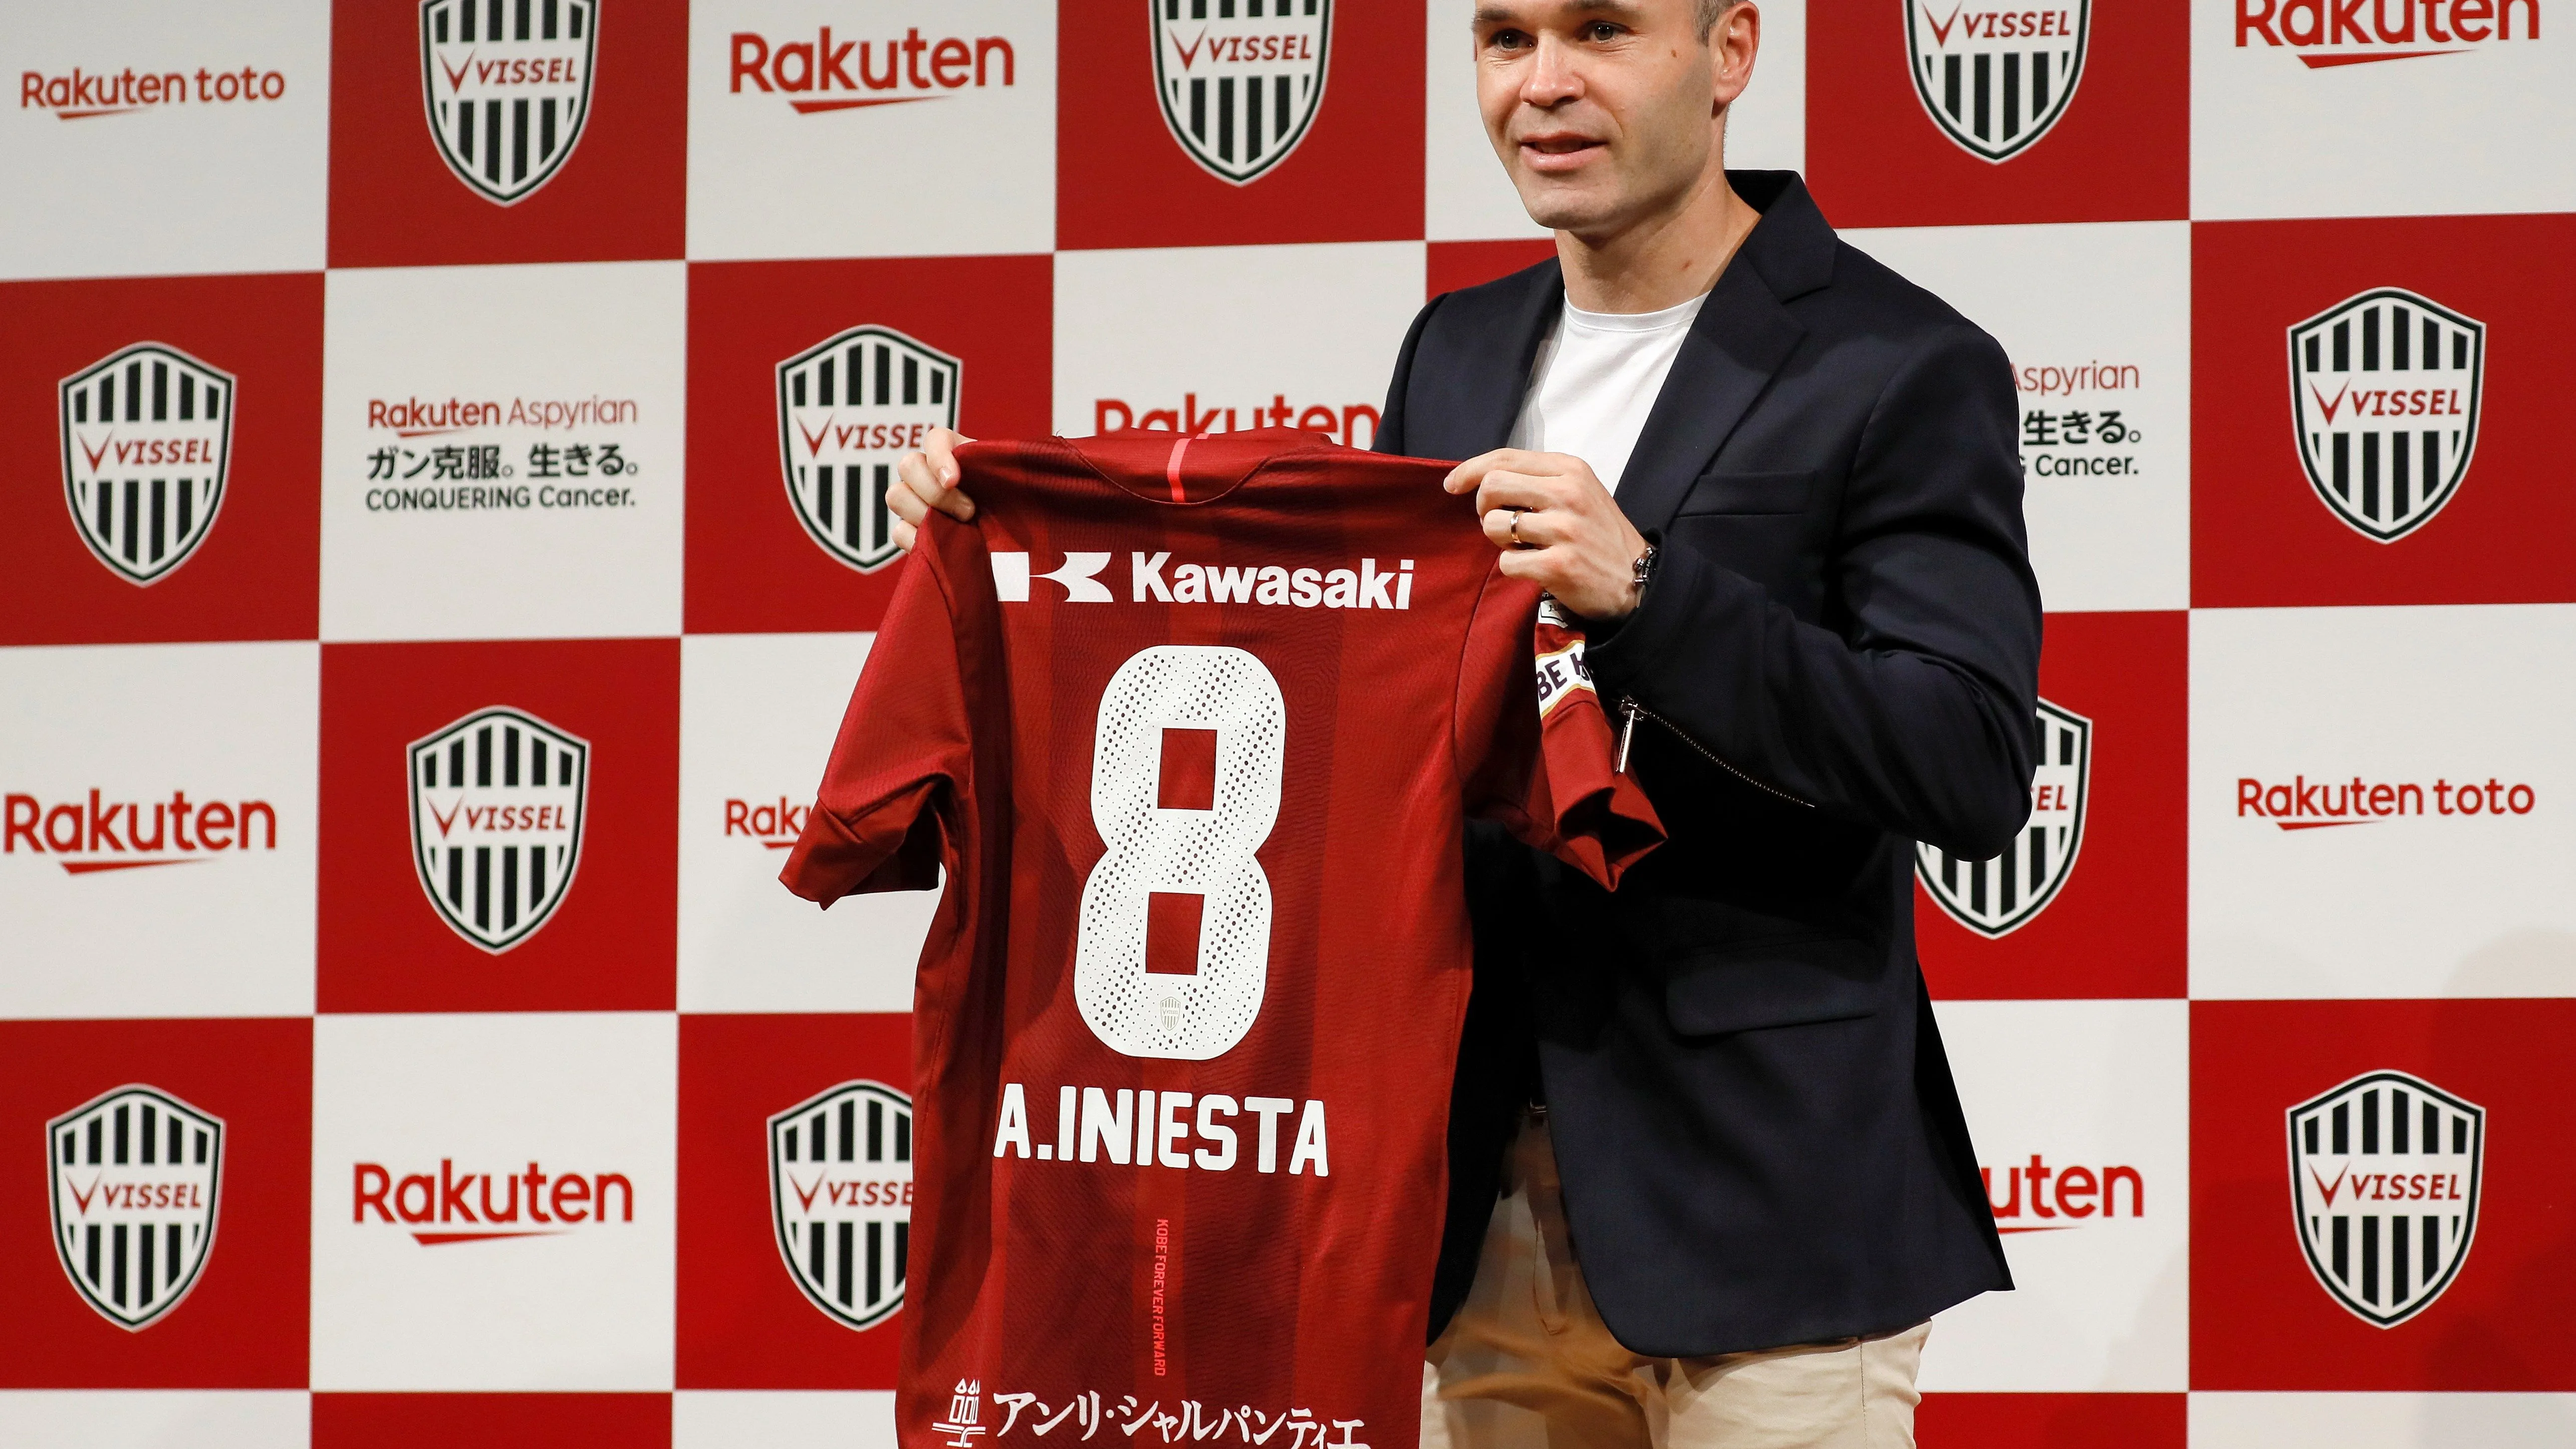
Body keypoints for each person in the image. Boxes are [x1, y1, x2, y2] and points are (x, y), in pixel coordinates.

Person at [888, 2, 2040, 1444]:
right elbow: (1355, 696)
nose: (1543, 85)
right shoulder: (1453, 345)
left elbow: (1970, 760)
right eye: (1504, 38)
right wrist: (1019, 554)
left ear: (1731, 52)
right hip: (1467, 1199)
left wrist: (1646, 594)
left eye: (1601, 30)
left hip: (1772, 1205)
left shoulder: (1899, 361)